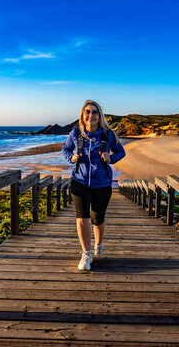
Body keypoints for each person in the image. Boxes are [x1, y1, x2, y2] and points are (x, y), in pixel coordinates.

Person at [62, 100, 126, 271]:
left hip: (102, 183)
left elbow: (121, 151)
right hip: (79, 181)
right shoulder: (76, 133)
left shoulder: (107, 135)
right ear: (83, 115)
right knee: (82, 218)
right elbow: (66, 149)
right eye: (88, 112)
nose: (91, 115)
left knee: (97, 219)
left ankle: (99, 243)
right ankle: (86, 254)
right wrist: (71, 158)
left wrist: (110, 158)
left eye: (95, 112)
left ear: (100, 115)